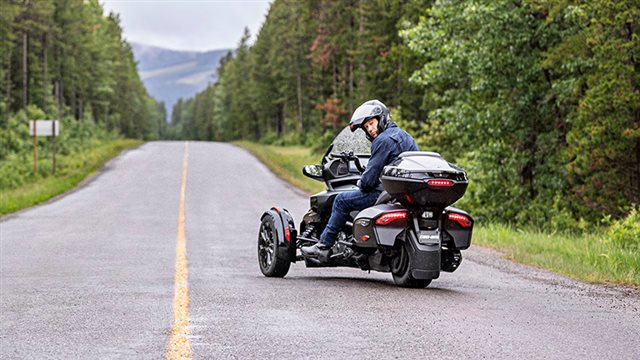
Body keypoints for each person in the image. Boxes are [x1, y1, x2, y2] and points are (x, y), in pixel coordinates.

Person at [301, 99, 419, 258]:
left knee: (341, 200)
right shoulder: (406, 137)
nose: (370, 129)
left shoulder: (382, 140)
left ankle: (323, 246)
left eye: (371, 123)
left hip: (383, 194)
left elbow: (368, 182)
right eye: (366, 127)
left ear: (382, 118)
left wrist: (360, 182)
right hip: (403, 193)